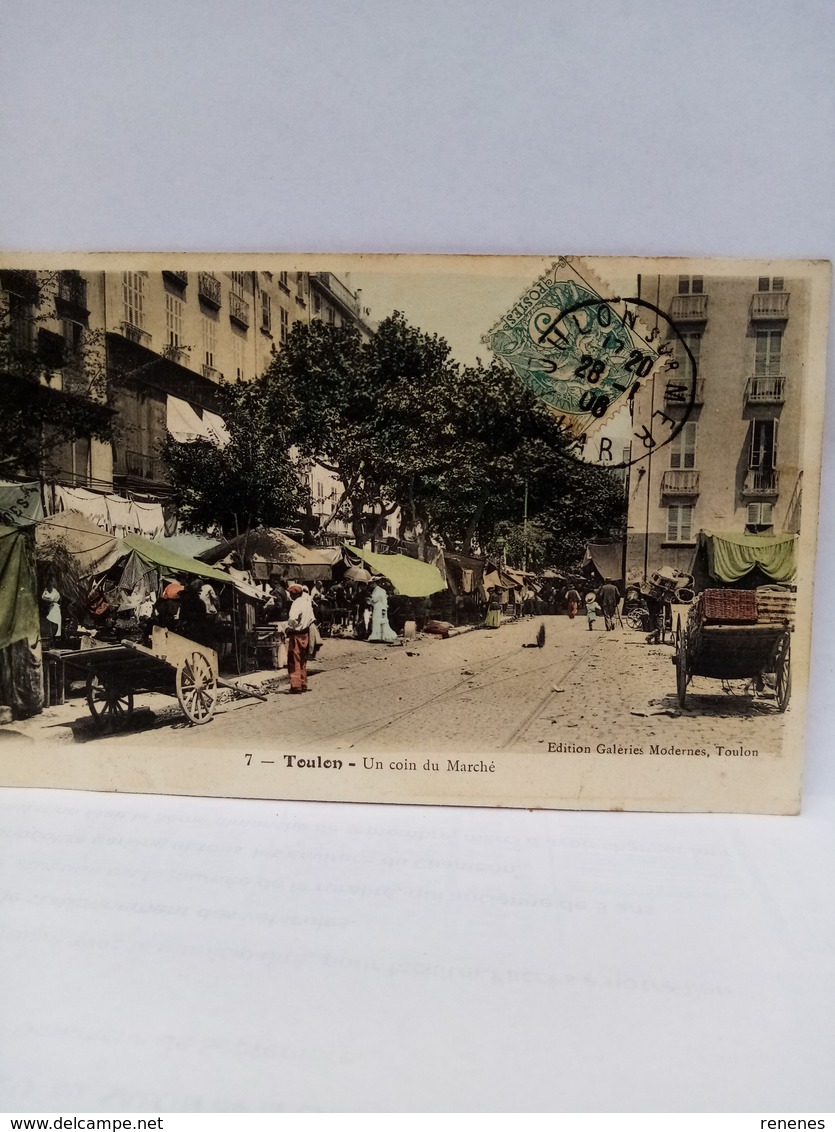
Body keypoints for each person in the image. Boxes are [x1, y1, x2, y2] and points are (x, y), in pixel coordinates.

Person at [286, 582, 315, 693]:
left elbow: (293, 619)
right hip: (305, 633)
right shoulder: (307, 603)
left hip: (297, 634)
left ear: (294, 594)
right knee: (303, 660)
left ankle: (296, 685)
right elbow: (312, 619)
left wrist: (289, 628)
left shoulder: (296, 604)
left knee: (294, 660)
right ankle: (303, 683)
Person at [367, 577, 399, 643]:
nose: (371, 585)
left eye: (372, 583)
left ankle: (378, 636)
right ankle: (381, 635)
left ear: (374, 583)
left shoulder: (378, 590)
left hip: (378, 607)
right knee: (381, 621)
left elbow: (374, 599)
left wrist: (369, 598)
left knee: (377, 620)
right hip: (382, 607)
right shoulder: (382, 590)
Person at [41, 578, 62, 644]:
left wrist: (48, 597)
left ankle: (56, 640)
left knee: (56, 623)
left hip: (55, 609)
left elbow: (52, 597)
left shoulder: (55, 591)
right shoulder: (46, 591)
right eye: (49, 582)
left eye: (51, 582)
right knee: (50, 623)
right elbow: (43, 597)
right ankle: (51, 639)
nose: (50, 584)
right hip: (50, 609)